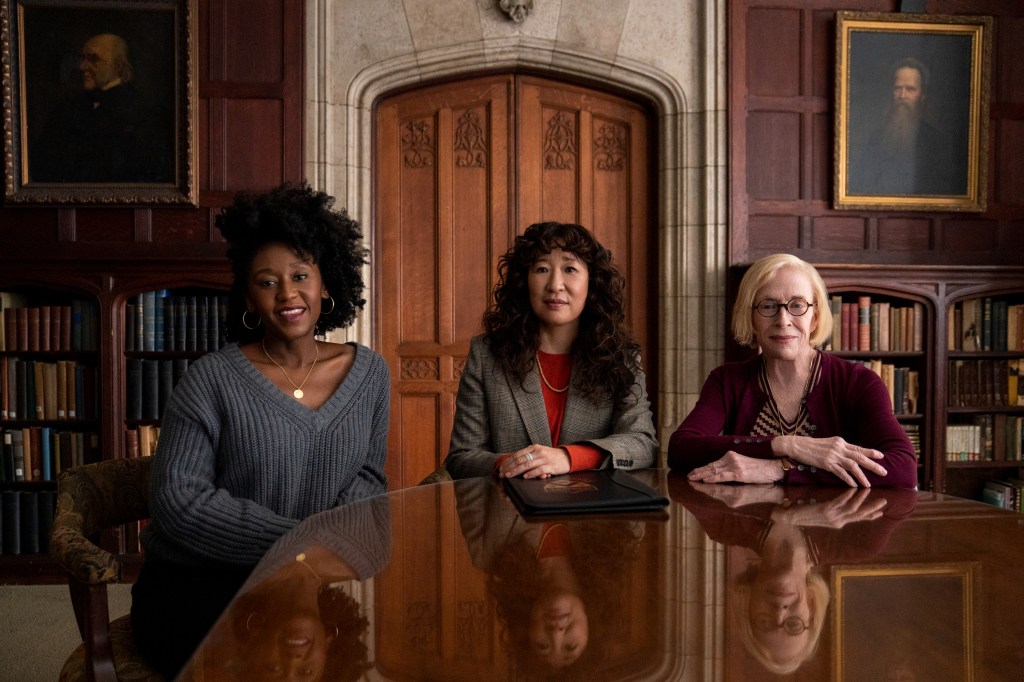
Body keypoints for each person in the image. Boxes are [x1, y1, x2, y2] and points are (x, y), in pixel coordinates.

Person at [130, 182, 390, 678]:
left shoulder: (371, 374)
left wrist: (311, 561)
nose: (287, 293)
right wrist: (298, 545)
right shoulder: (211, 378)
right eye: (267, 282)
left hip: (318, 575)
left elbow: (367, 481)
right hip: (204, 578)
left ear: (326, 284)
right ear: (249, 294)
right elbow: (179, 501)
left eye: (300, 275)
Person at [668, 253, 918, 488]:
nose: (783, 320)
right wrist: (785, 445)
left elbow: (904, 469)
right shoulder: (726, 380)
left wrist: (782, 469)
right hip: (748, 524)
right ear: (751, 318)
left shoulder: (859, 382)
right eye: (767, 306)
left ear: (816, 317)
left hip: (836, 529)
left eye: (797, 305)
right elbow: (681, 448)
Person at [443, 221, 657, 480]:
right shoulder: (487, 354)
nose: (555, 284)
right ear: (524, 281)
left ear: (592, 282)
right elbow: (462, 457)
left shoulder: (620, 356)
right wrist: (519, 464)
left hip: (595, 514)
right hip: (511, 512)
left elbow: (642, 444)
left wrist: (569, 457)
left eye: (570, 269)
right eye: (542, 269)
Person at [671, 477, 917, 675]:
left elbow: (688, 470)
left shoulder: (723, 526)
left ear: (749, 607)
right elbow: (902, 482)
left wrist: (777, 464)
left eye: (764, 622)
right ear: (811, 605)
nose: (780, 611)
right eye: (794, 624)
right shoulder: (858, 542)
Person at [181, 495, 392, 682]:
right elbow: (369, 483)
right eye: (306, 672)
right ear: (329, 646)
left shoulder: (230, 567)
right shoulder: (368, 557)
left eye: (273, 669)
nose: (293, 660)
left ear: (253, 643)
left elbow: (186, 504)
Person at [455, 478, 647, 677]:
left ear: (527, 631)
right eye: (570, 646)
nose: (556, 633)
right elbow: (638, 463)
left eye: (542, 645)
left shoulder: (488, 554)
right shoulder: (623, 537)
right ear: (593, 632)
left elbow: (468, 468)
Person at [30, 33, 172, 183]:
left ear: (118, 67)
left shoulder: (144, 112)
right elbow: (41, 161)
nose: (82, 66)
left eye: (93, 59)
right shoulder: (67, 108)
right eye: (83, 58)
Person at [848, 57, 966, 197]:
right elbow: (863, 185)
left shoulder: (939, 142)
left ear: (922, 95)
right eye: (898, 88)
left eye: (910, 89)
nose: (902, 96)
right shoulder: (875, 139)